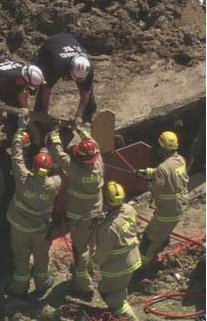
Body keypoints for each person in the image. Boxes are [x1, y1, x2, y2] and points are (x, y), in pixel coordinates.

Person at [6, 122, 61, 300]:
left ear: (34, 168)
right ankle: (42, 284)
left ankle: (19, 287)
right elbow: (63, 167)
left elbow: (17, 157)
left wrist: (20, 129)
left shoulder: (23, 179)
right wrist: (54, 142)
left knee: (21, 257)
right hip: (39, 229)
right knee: (41, 257)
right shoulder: (54, 184)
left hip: (19, 227)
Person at [48, 125, 104, 299]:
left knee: (80, 250)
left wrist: (55, 138)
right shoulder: (99, 162)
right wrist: (80, 129)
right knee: (91, 245)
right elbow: (93, 143)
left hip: (80, 217)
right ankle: (90, 269)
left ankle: (84, 287)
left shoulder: (75, 169)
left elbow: (60, 156)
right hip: (96, 212)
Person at [136, 131, 189, 273]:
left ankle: (144, 267)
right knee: (162, 233)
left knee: (147, 239)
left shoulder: (162, 168)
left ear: (161, 147)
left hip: (167, 211)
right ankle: (161, 244)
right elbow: (169, 174)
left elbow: (156, 190)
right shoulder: (181, 160)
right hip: (180, 206)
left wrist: (148, 180)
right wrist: (150, 172)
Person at [91, 181, 141, 321]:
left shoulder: (109, 228)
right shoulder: (129, 209)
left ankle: (128, 318)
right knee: (119, 289)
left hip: (117, 266)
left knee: (109, 295)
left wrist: (92, 262)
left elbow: (103, 253)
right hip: (133, 258)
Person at [0, 58, 45, 138]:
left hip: (4, 79)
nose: (28, 87)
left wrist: (24, 111)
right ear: (23, 79)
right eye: (28, 85)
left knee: (15, 105)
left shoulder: (23, 75)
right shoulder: (4, 76)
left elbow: (23, 92)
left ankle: (12, 129)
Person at [34, 33, 96, 123]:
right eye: (75, 78)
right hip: (50, 47)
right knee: (43, 81)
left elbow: (85, 93)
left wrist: (78, 116)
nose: (77, 81)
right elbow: (47, 89)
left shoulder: (88, 68)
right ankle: (39, 112)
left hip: (68, 39)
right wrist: (45, 113)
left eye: (80, 79)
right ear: (70, 69)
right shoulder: (58, 66)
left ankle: (88, 113)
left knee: (87, 87)